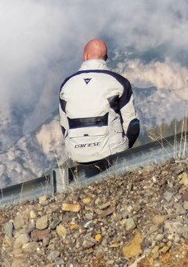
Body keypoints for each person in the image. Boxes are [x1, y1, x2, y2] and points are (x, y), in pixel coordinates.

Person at [58, 38, 140, 178]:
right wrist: (125, 149)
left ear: (85, 56)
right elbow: (132, 126)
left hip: (77, 154)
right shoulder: (118, 82)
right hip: (112, 152)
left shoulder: (67, 85)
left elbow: (64, 127)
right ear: (106, 58)